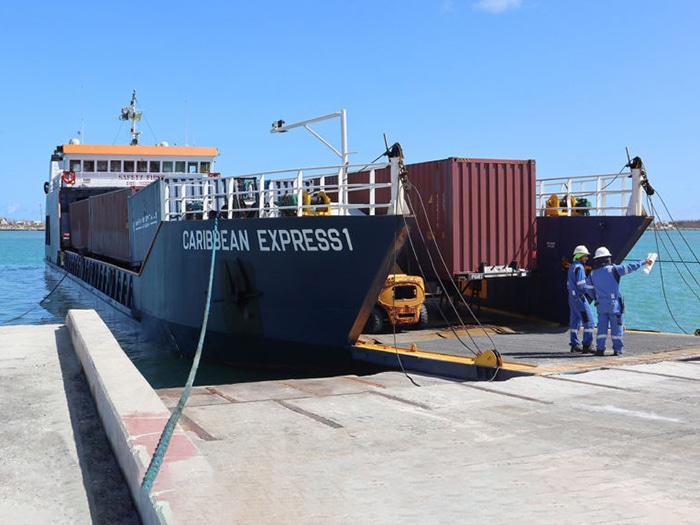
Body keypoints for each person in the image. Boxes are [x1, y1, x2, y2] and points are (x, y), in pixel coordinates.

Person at [589, 247, 653, 356]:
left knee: (601, 328)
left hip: (601, 306)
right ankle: (617, 350)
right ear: (607, 258)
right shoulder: (614, 270)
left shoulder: (592, 273)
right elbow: (630, 268)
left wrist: (596, 298)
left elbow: (588, 288)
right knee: (617, 328)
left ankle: (600, 349)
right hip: (614, 306)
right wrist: (643, 262)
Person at [567, 245, 595, 353]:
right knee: (589, 321)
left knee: (575, 321)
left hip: (572, 298)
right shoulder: (579, 268)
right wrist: (592, 294)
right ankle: (587, 345)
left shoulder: (572, 267)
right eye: (585, 256)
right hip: (579, 298)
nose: (587, 258)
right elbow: (582, 286)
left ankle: (574, 345)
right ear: (579, 256)